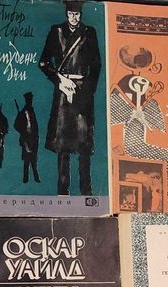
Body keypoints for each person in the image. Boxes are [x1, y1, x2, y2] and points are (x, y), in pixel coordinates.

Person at [39, 0, 100, 195]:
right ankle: (62, 193)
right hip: (63, 92)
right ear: (66, 14)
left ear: (81, 14)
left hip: (83, 93)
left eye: (77, 14)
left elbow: (96, 66)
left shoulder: (89, 33)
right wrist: (60, 81)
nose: (74, 17)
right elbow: (43, 63)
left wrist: (86, 91)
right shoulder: (56, 31)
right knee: (63, 146)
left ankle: (86, 192)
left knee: (84, 146)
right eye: (71, 14)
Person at [13, 92, 40, 183]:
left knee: (33, 159)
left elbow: (34, 125)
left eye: (31, 99)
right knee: (27, 160)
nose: (31, 100)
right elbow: (16, 125)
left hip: (34, 138)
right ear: (27, 100)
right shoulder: (24, 111)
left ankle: (35, 178)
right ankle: (26, 179)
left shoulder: (31, 110)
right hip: (26, 138)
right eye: (29, 99)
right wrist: (23, 132)